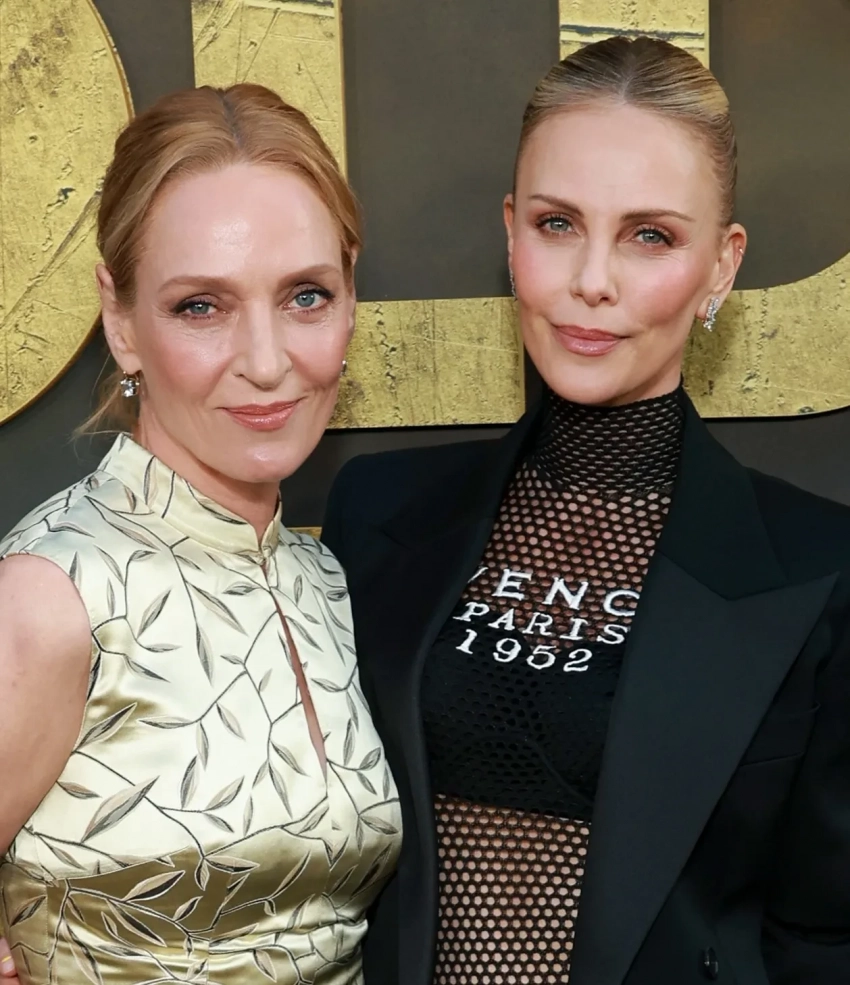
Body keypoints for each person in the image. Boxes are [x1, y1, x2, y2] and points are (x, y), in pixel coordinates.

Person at [319, 37, 850, 985]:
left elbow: (823, 934)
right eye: (558, 223)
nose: (592, 279)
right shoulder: (379, 513)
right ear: (511, 232)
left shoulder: (818, 568)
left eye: (650, 236)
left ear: (722, 266)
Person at [0, 83, 400, 984]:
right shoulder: (54, 593)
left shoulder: (323, 578)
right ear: (121, 320)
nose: (266, 360)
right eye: (201, 306)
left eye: (306, 296)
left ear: (350, 296)